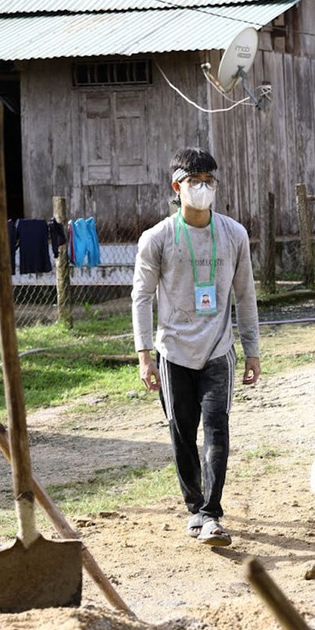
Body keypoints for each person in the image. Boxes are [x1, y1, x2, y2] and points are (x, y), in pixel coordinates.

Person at [132, 148, 261, 547]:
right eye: (194, 181)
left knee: (217, 429)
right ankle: (194, 506)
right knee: (182, 432)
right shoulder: (158, 238)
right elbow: (141, 296)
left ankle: (211, 513)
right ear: (177, 187)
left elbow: (245, 295)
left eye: (209, 181)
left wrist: (252, 349)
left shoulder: (234, 234)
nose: (203, 188)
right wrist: (144, 354)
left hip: (218, 350)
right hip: (172, 352)